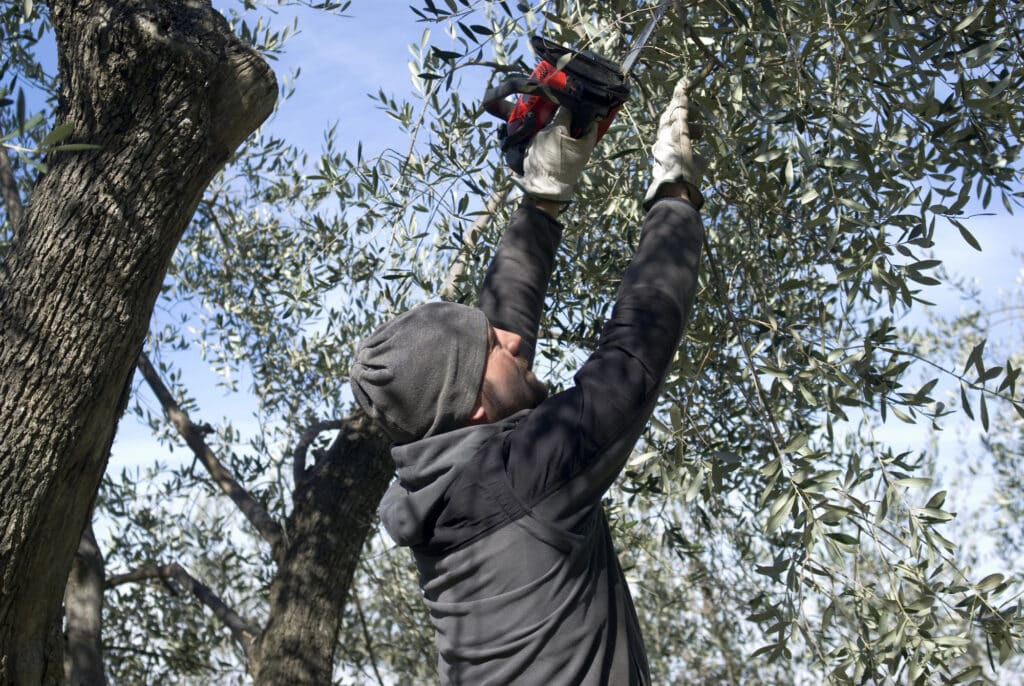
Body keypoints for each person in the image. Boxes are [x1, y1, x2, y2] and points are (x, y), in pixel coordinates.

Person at [350, 77, 706, 685]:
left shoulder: (442, 490)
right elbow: (634, 354)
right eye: (493, 346)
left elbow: (495, 349)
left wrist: (544, 196)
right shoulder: (525, 481)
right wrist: (674, 191)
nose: (512, 339)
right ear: (475, 409)